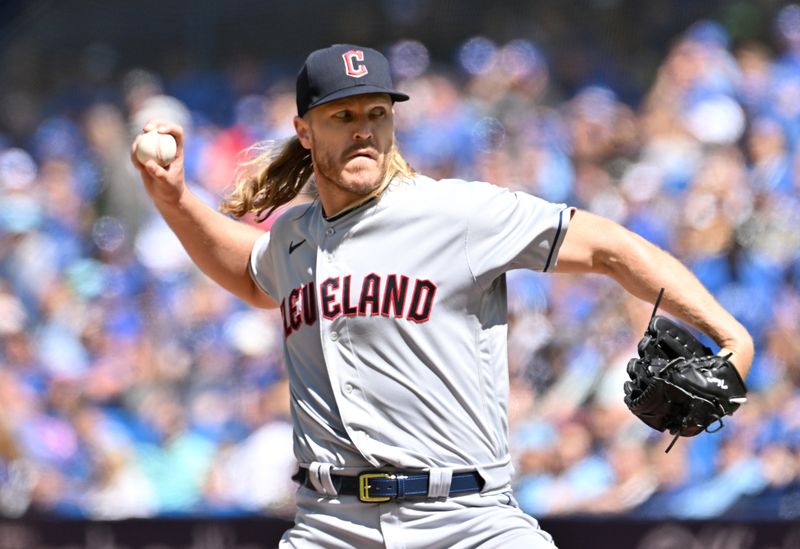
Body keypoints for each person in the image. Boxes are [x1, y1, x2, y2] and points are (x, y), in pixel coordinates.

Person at [131, 44, 754, 548]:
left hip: (466, 521)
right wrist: (174, 199)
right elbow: (246, 271)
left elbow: (611, 247)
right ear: (305, 129)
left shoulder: (456, 213)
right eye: (343, 117)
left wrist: (731, 334)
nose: (364, 132)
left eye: (377, 114)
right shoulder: (294, 237)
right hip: (331, 524)